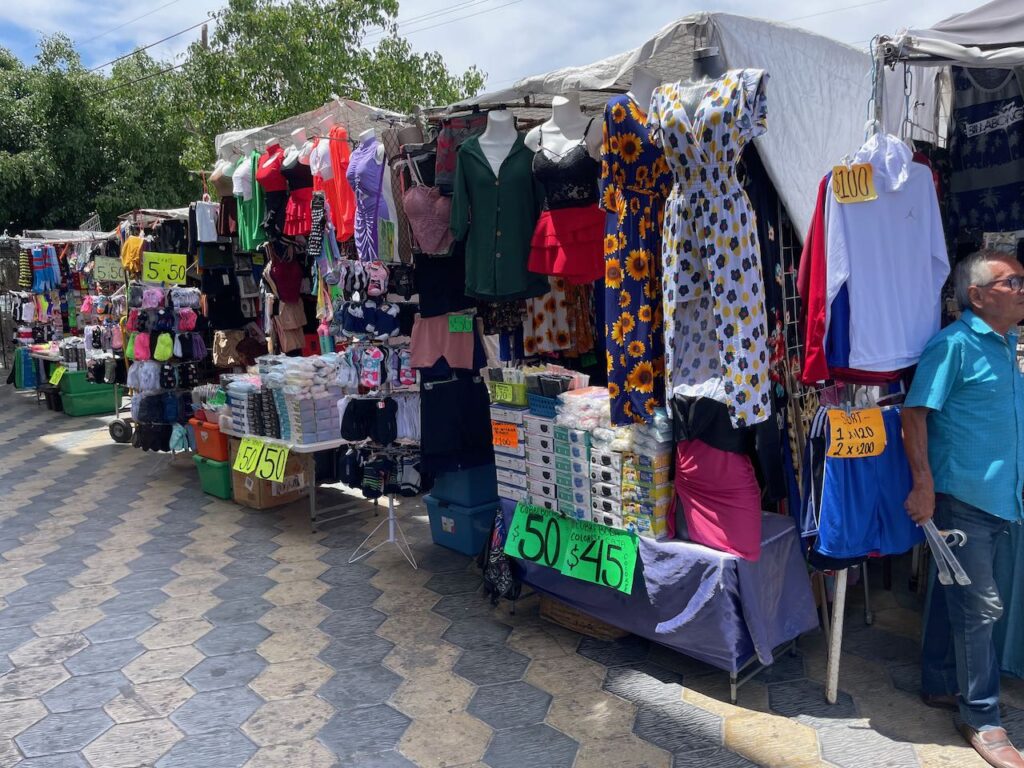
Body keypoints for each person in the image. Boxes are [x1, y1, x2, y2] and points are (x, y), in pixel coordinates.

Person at [903, 249, 1024, 768]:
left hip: (1002, 497)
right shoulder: (952, 345)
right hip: (963, 499)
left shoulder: (1009, 344)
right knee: (982, 609)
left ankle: (938, 682)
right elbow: (914, 415)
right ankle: (981, 716)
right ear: (977, 296)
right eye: (1011, 281)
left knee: (957, 593)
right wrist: (923, 486)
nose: (1021, 288)